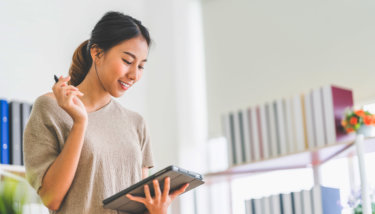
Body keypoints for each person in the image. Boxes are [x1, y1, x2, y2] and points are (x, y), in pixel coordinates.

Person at [23, 11, 189, 214]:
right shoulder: (51, 107)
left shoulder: (136, 123)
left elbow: (140, 204)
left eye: (141, 66)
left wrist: (158, 210)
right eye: (127, 61)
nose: (134, 75)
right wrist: (80, 122)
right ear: (97, 53)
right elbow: (52, 199)